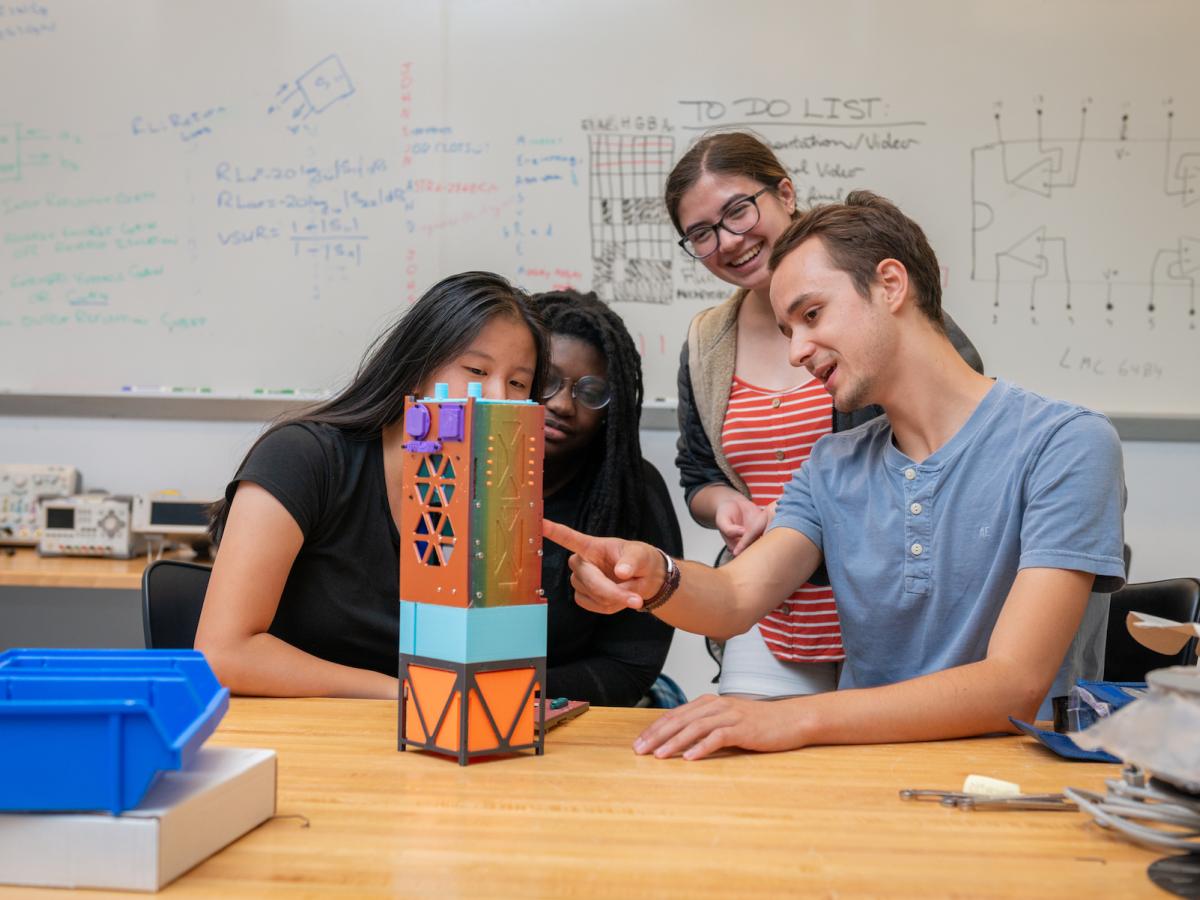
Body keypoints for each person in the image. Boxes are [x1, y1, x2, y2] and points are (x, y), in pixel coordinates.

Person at [546, 191, 1126, 760]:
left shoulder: (1066, 444)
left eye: (812, 315)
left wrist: (789, 717)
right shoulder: (832, 464)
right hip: (864, 776)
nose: (797, 350)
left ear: (891, 284)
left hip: (1013, 787)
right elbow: (735, 596)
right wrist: (657, 576)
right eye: (787, 330)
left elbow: (1014, 684)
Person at [666, 131, 984, 698]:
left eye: (738, 210)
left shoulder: (880, 319)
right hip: (770, 602)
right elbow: (698, 472)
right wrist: (730, 508)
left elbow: (948, 439)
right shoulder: (707, 342)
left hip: (885, 597)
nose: (728, 240)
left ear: (785, 193)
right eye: (701, 234)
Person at [197, 271, 547, 699]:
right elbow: (222, 654)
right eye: (476, 369)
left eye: (517, 383)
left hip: (427, 737)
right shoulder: (304, 457)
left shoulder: (499, 493)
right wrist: (402, 694)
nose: (496, 396)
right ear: (418, 366)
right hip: (305, 735)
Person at [534, 290, 683, 706]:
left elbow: (630, 666)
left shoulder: (632, 492)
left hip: (581, 716)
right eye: (546, 381)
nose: (562, 404)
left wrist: (506, 689)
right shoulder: (446, 477)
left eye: (590, 392)